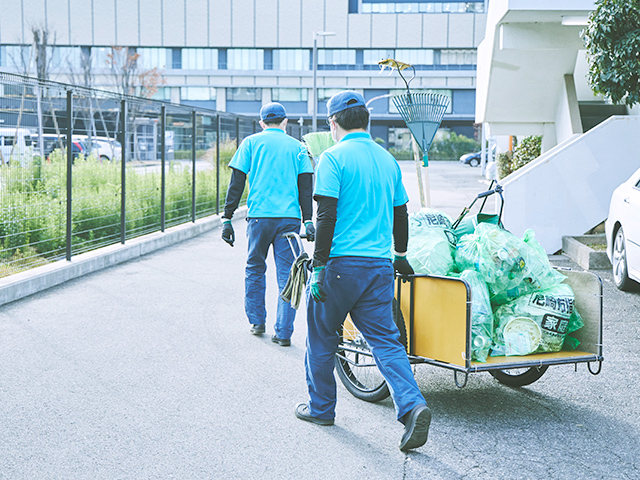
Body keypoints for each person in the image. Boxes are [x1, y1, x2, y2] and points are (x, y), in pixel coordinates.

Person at [294, 91, 431, 452]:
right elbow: (401, 213)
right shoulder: (388, 160)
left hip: (339, 267)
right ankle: (413, 405)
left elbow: (326, 216)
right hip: (378, 267)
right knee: (386, 341)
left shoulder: (332, 159)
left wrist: (319, 266)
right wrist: (400, 254)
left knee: (322, 337)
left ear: (334, 123)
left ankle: (321, 408)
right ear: (366, 123)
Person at [221, 102, 315, 347]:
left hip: (260, 218)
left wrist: (227, 218)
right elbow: (306, 187)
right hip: (289, 221)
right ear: (285, 122)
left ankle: (257, 322)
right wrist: (308, 220)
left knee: (255, 268)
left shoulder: (251, 143)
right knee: (289, 275)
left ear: (261, 123)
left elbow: (237, 183)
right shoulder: (299, 148)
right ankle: (283, 333)